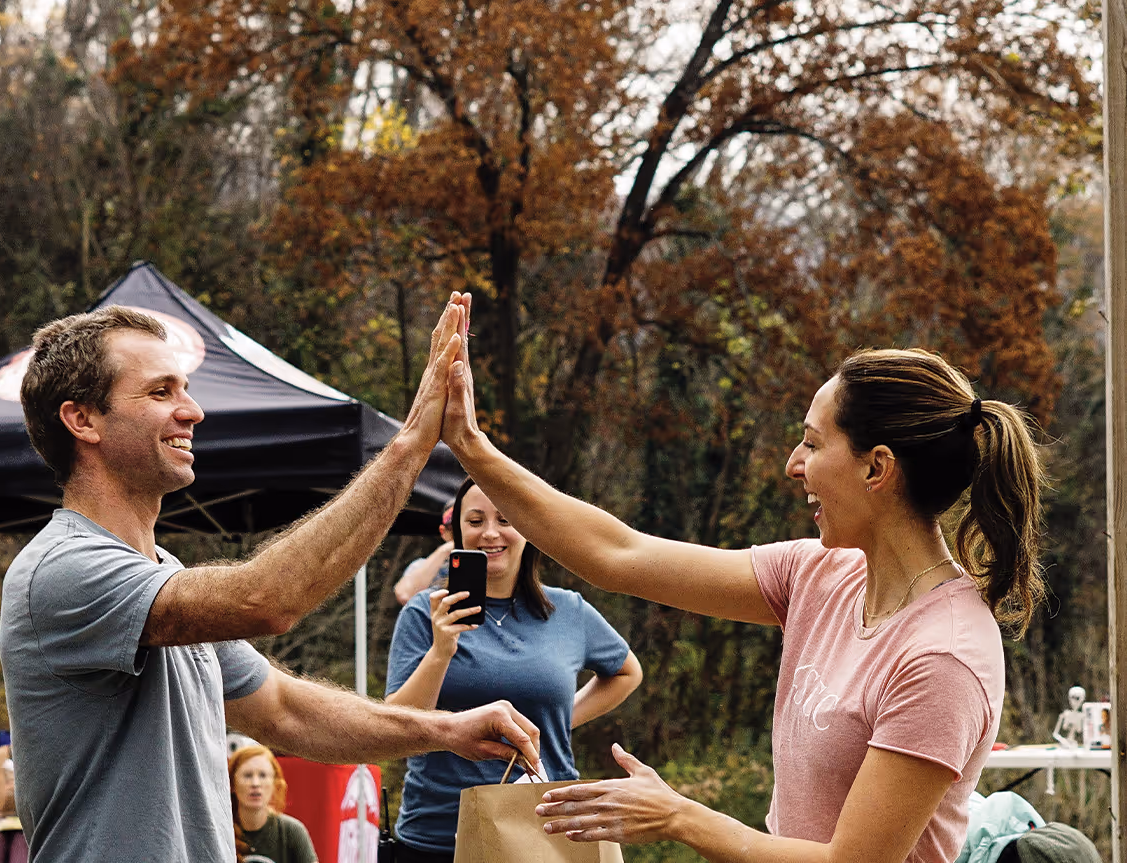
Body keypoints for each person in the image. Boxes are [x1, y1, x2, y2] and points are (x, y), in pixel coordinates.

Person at [439, 293, 1046, 863]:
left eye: (812, 443)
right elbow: (617, 555)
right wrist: (470, 445)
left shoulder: (942, 656)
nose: (793, 465)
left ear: (876, 468)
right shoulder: (821, 574)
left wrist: (678, 817)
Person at [0, 300, 541, 863]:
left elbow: (285, 709)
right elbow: (264, 600)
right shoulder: (62, 570)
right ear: (82, 420)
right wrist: (408, 447)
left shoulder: (161, 571)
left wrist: (446, 730)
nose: (193, 411)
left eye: (184, 388)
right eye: (161, 392)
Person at [384, 477, 643, 862]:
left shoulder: (568, 610)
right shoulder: (425, 612)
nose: (490, 533)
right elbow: (395, 728)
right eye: (475, 521)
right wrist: (441, 651)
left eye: (505, 519)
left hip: (543, 830)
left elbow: (626, 673)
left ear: (529, 530)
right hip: (438, 836)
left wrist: (559, 720)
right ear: (457, 533)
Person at [228, 745, 317, 863]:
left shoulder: (292, 831)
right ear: (232, 784)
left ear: (275, 783)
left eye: (263, 775)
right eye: (247, 775)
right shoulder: (222, 830)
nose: (255, 783)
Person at [394, 500, 455, 605]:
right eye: (454, 529)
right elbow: (404, 595)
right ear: (443, 532)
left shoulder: (488, 562)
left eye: (474, 523)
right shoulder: (422, 565)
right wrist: (445, 550)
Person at [0, 742, 25, 863]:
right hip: (5, 822)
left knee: (20, 843)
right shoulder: (3, 753)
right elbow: (3, 804)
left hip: (30, 825)